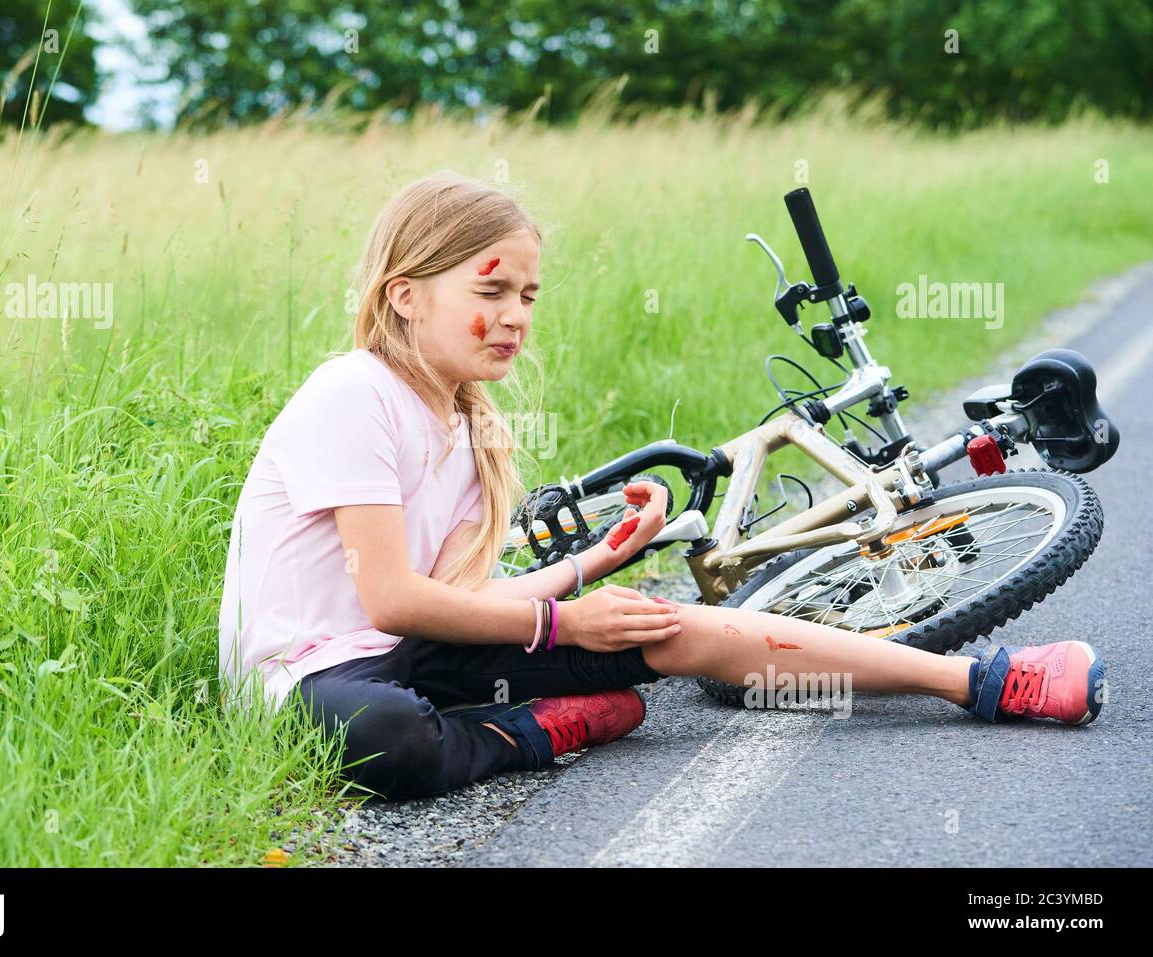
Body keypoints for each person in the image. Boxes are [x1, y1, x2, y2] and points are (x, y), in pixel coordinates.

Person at [218, 171, 1106, 802]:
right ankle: (520, 734)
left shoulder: (469, 424)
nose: (516, 317)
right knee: (384, 736)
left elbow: (456, 605)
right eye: (491, 290)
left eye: (529, 294)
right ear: (406, 294)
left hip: (418, 657)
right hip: (308, 679)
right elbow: (391, 597)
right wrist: (566, 620)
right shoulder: (353, 392)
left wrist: (601, 562)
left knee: (671, 624)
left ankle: (976, 679)